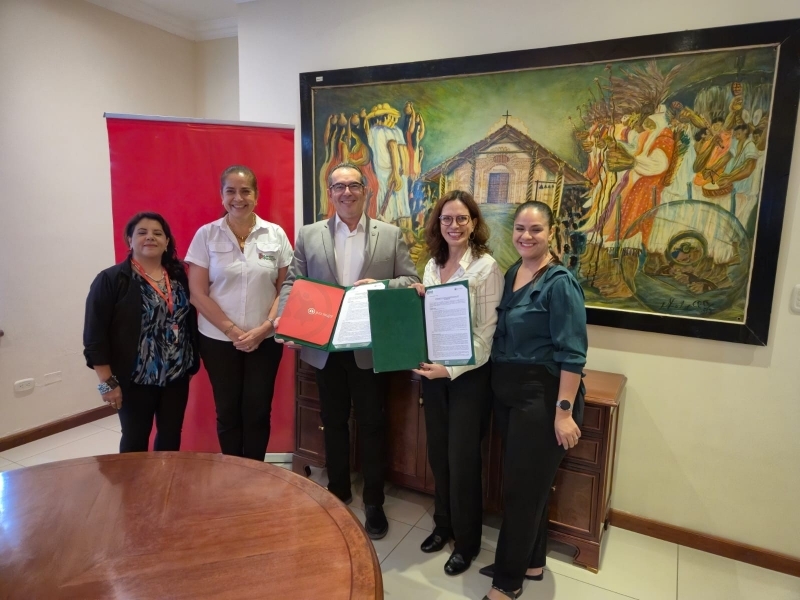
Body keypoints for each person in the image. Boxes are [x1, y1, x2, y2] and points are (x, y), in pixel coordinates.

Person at [276, 162, 419, 539]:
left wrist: (383, 285)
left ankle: (374, 501)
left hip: (370, 347)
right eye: (338, 187)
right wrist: (285, 321)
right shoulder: (309, 235)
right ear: (330, 193)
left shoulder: (389, 235)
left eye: (353, 186)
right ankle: (338, 489)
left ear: (366, 190)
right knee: (333, 421)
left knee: (372, 424)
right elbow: (294, 282)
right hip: (324, 347)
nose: (346, 193)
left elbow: (412, 280)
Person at [480, 201, 588, 600]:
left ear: (551, 233)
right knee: (529, 486)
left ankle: (506, 584)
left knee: (521, 493)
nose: (526, 236)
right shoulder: (513, 272)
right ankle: (532, 562)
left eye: (536, 230)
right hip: (509, 393)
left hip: (541, 397)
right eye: (520, 229)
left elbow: (573, 353)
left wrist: (563, 413)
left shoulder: (560, 283)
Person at [409, 190, 504, 575]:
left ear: (474, 223)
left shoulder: (485, 268)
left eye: (462, 219)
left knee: (463, 461)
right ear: (438, 224)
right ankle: (443, 525)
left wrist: (451, 370)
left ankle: (466, 542)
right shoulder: (432, 265)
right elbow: (432, 319)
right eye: (447, 219)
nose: (454, 225)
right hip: (433, 376)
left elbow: (487, 335)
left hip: (468, 380)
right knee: (438, 456)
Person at [186, 165, 293, 461]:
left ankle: (257, 472)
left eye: (245, 191)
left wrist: (264, 329)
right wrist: (232, 331)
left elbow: (286, 289)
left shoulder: (275, 234)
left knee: (259, 410)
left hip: (265, 340)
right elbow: (197, 293)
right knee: (228, 410)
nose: (238, 198)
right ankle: (234, 472)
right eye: (231, 191)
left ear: (256, 196)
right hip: (219, 341)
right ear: (221, 196)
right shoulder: (206, 236)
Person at [83, 212, 200, 453]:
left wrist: (190, 365)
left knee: (170, 437)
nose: (150, 237)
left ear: (167, 242)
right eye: (142, 233)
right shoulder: (112, 279)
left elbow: (188, 322)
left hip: (176, 376)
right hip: (135, 379)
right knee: (135, 439)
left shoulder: (179, 277)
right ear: (130, 240)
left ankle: (165, 485)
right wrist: (107, 384)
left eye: (158, 233)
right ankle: (132, 489)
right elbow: (94, 336)